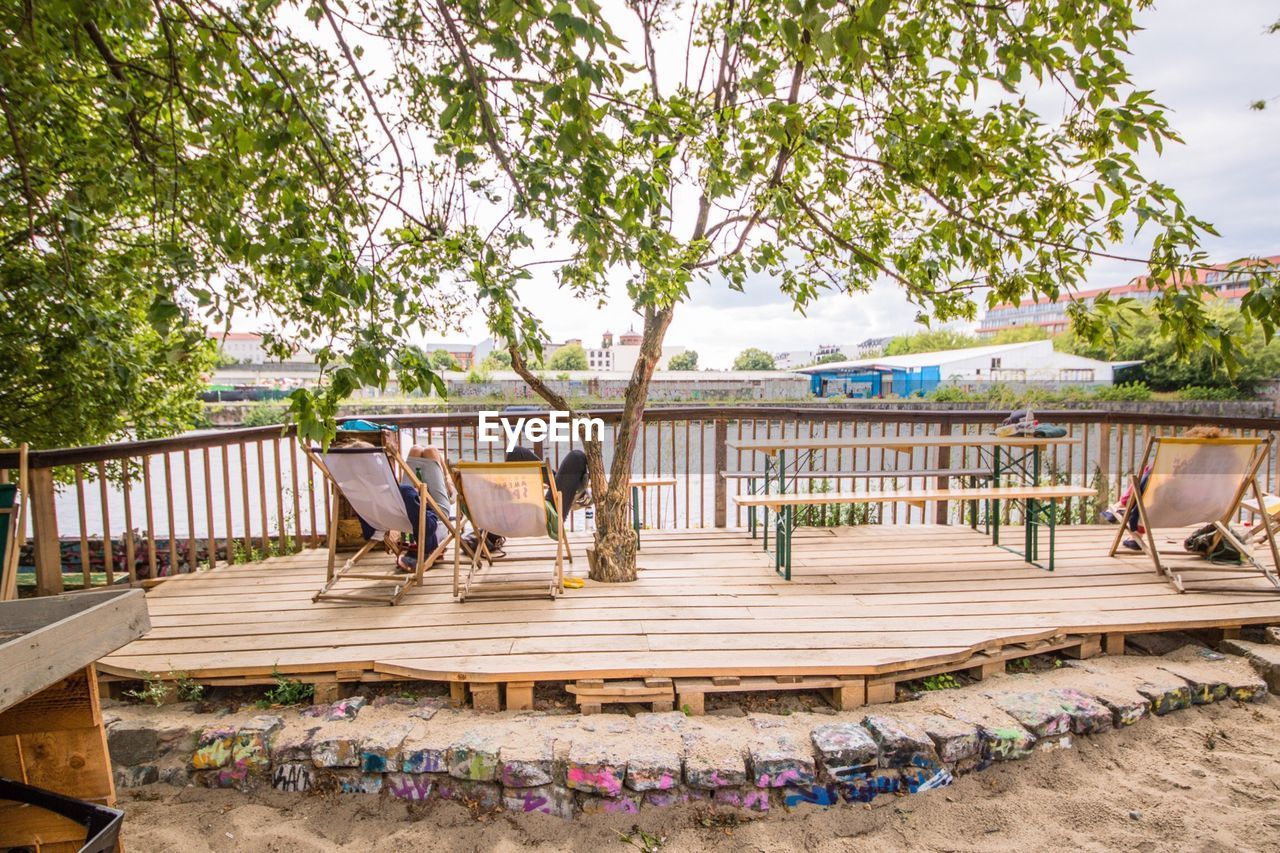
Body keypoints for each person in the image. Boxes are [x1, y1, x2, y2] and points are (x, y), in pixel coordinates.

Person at [463, 447, 590, 557]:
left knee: (516, 453)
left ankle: (492, 536)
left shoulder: (481, 508)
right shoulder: (493, 508)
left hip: (522, 511)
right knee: (577, 457)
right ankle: (575, 493)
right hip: (545, 516)